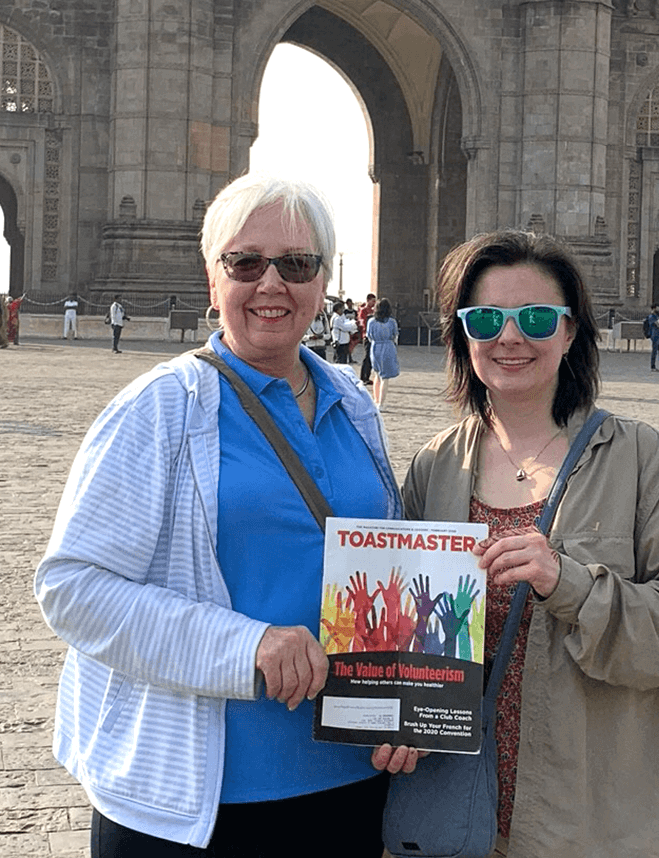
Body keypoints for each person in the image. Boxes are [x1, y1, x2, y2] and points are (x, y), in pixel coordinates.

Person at [35, 174, 419, 858]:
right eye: (245, 263)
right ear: (213, 281)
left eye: (296, 265)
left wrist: (406, 703)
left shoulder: (354, 406)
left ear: (322, 281)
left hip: (347, 787)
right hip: (193, 809)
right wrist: (245, 647)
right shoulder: (158, 409)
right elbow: (73, 590)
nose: (271, 283)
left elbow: (380, 572)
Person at [401, 229, 659, 856]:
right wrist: (393, 719)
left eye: (535, 318)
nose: (510, 337)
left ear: (571, 331)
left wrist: (568, 584)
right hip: (459, 817)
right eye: (485, 319)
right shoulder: (433, 468)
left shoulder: (643, 461)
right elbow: (407, 638)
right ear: (461, 333)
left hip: (589, 822)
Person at [364, 297, 399, 407]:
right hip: (388, 346)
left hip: (375, 347)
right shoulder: (392, 321)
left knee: (377, 375)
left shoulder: (371, 321)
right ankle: (381, 403)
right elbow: (395, 335)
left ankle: (376, 399)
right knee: (385, 377)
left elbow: (369, 336)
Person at [357, 293, 378, 385]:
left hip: (373, 336)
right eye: (373, 301)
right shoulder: (363, 310)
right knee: (367, 356)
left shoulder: (373, 311)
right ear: (368, 300)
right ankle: (363, 377)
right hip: (366, 336)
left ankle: (367, 376)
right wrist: (365, 332)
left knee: (371, 357)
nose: (374, 303)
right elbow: (362, 323)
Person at [643, 305, 659, 372]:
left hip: (658, 334)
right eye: (657, 307)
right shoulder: (651, 317)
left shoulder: (657, 316)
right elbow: (658, 324)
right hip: (654, 335)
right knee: (654, 351)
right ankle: (653, 366)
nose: (658, 309)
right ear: (654, 308)